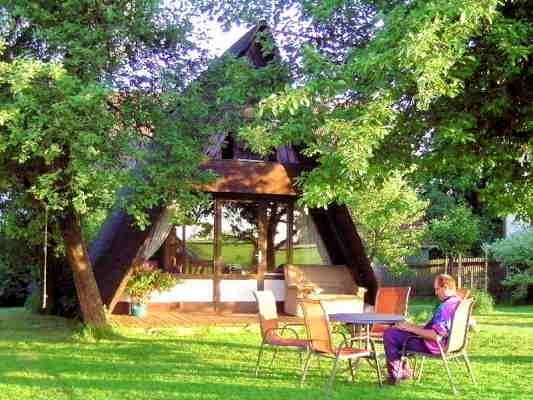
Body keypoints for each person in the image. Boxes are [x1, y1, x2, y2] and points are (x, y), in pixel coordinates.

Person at [382, 274, 461, 384]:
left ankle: (396, 376)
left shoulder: (445, 308)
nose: (436, 293)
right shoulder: (457, 302)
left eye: (437, 289)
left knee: (390, 334)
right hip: (448, 344)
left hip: (433, 346)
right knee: (399, 331)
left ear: (446, 287)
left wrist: (411, 328)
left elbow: (435, 336)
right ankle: (404, 372)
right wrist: (409, 327)